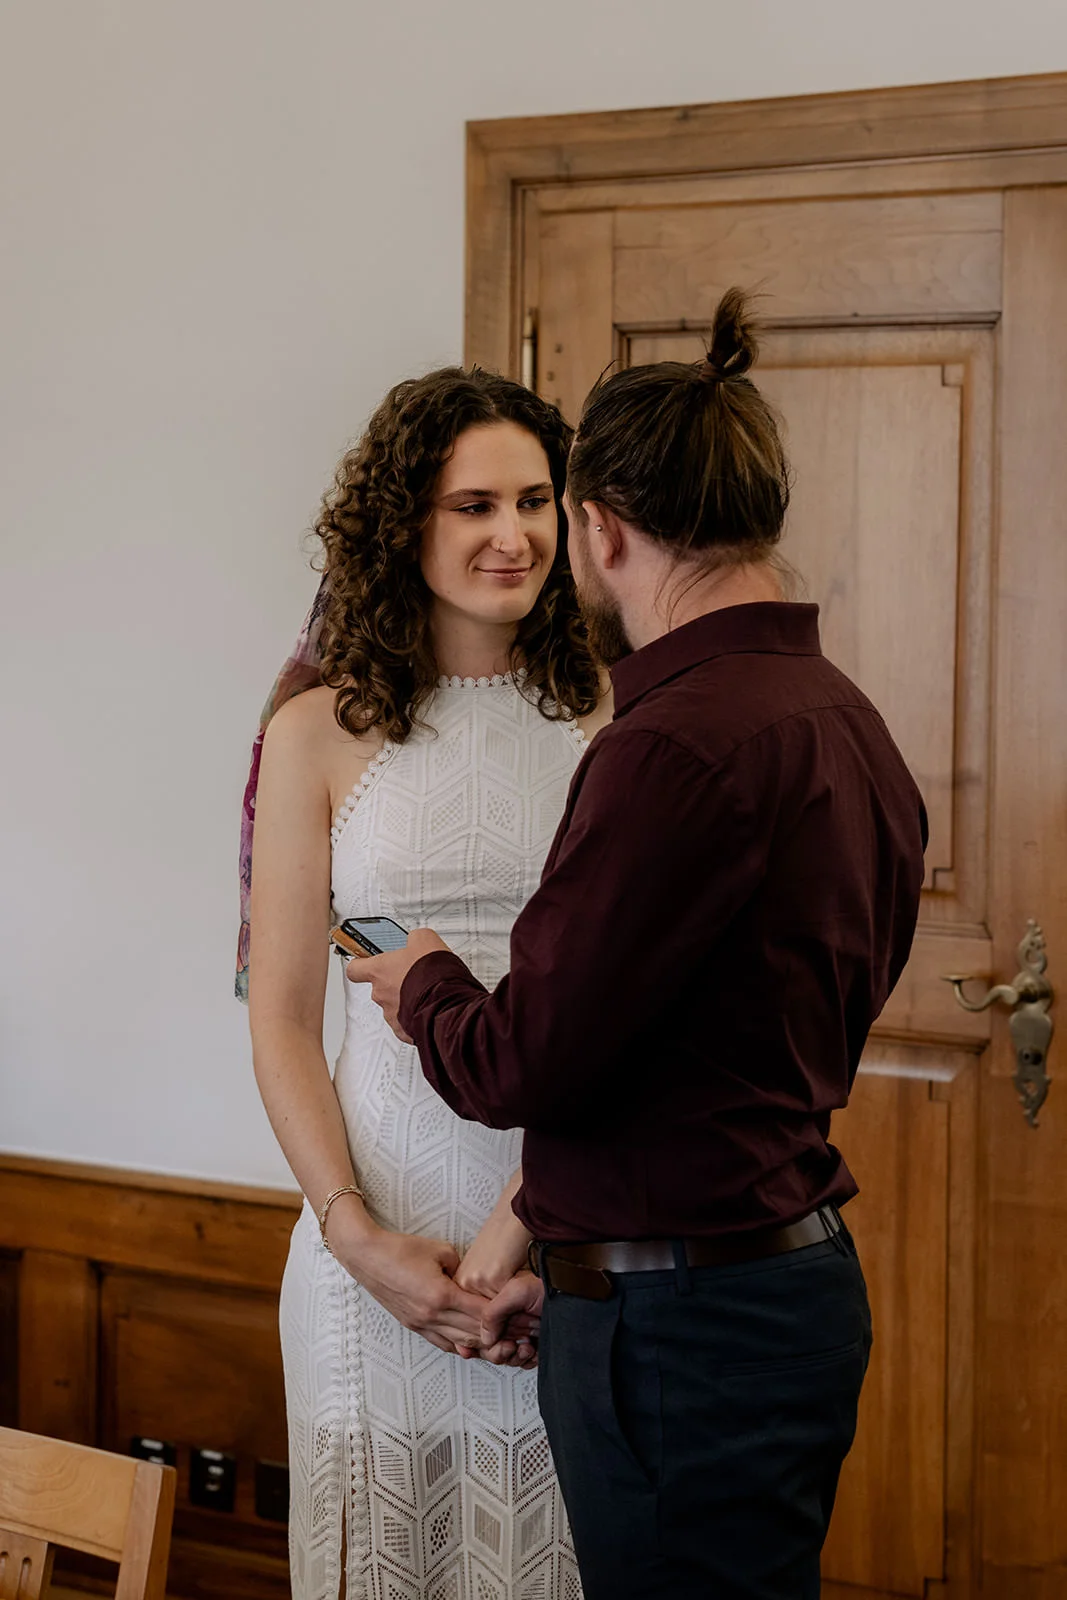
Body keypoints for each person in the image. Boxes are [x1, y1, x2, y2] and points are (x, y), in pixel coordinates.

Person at [345, 289, 929, 1600]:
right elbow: (700, 1038)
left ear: (600, 529)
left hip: (682, 1325)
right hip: (773, 1282)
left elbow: (521, 1067)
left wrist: (422, 975)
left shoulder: (666, 745)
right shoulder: (848, 721)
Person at [245, 367, 609, 1599]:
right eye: (471, 505)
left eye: (534, 500)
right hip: (371, 1233)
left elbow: (619, 1010)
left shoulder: (609, 719)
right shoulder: (315, 731)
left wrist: (519, 1240)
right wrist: (355, 1236)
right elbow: (287, 1018)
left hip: (554, 1242)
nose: (511, 536)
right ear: (404, 521)